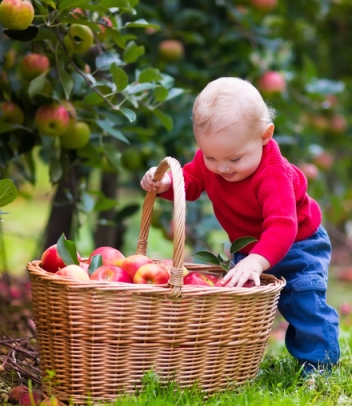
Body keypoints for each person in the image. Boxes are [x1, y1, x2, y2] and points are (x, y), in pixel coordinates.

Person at [140, 77, 340, 374]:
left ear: (264, 135)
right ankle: (238, 362)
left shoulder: (272, 174)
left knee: (303, 300)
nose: (221, 167)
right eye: (210, 156)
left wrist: (257, 261)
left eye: (234, 158)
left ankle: (318, 364)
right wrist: (165, 184)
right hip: (251, 249)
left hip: (298, 245)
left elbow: (283, 225)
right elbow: (192, 182)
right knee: (238, 304)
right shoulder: (215, 162)